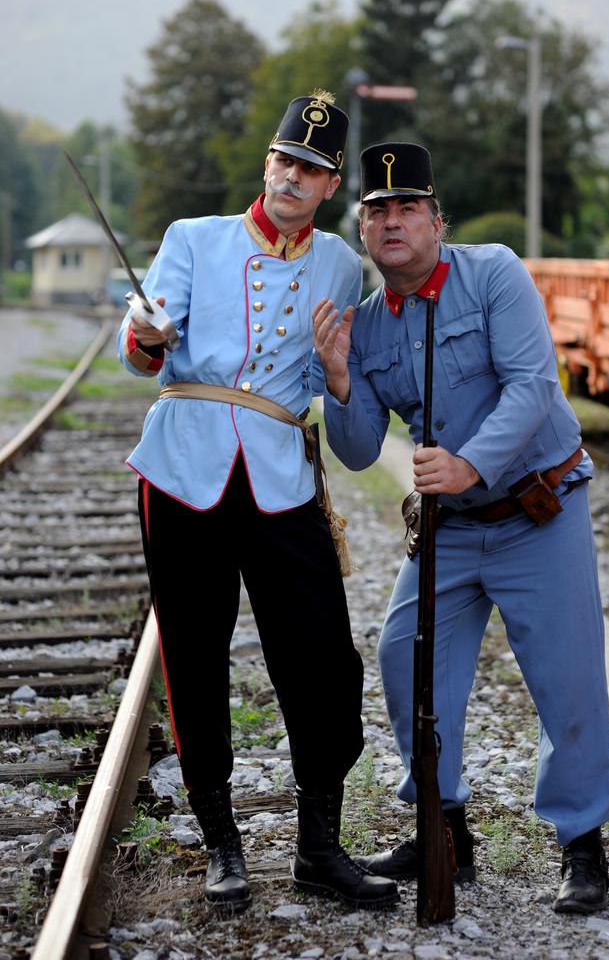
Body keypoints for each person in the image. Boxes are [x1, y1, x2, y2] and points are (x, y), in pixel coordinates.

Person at [312, 142, 609, 915]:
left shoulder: (494, 275)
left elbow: (533, 386)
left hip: (536, 509)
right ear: (363, 229)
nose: (392, 221)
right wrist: (341, 380)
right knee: (401, 656)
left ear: (436, 220)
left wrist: (470, 464)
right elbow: (352, 451)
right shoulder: (369, 325)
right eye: (376, 210)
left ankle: (582, 847)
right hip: (451, 526)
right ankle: (444, 833)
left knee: (566, 675)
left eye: (407, 206)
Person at [116, 94, 398, 912]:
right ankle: (222, 844)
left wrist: (336, 374)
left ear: (329, 184)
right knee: (195, 654)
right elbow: (140, 351)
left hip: (280, 473)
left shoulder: (344, 266)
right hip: (182, 467)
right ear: (268, 163)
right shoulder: (191, 239)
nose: (291, 175)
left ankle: (320, 849)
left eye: (310, 168)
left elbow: (331, 386)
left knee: (324, 661)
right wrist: (149, 335)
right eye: (284, 159)